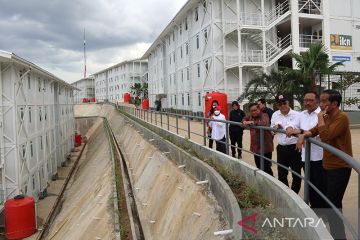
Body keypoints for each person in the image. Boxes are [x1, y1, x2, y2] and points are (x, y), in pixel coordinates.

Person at [296, 90, 352, 239]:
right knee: (328, 201)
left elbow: (326, 137)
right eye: (320, 101)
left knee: (332, 204)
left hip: (339, 167)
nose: (321, 104)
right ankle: (334, 234)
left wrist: (320, 117)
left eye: (324, 101)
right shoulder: (328, 116)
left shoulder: (341, 117)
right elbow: (314, 131)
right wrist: (303, 135)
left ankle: (339, 236)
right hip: (328, 165)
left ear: (334, 103)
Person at [286, 91, 326, 208]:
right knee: (310, 183)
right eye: (305, 100)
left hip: (319, 156)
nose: (307, 103)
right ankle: (314, 209)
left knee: (320, 186)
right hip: (305, 155)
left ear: (317, 102)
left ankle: (322, 211)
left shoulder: (322, 115)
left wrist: (302, 133)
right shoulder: (302, 114)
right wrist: (290, 128)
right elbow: (293, 125)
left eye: (310, 100)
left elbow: (319, 133)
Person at [271, 94, 302, 194]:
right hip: (281, 148)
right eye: (280, 104)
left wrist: (293, 130)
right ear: (277, 105)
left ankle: (294, 195)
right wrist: (276, 128)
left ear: (288, 103)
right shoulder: (275, 114)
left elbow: (301, 130)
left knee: (296, 174)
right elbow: (272, 131)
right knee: (282, 173)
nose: (282, 106)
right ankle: (287, 195)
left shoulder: (297, 115)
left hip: (295, 148)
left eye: (284, 103)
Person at [243, 103, 274, 176]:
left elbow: (263, 123)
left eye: (255, 110)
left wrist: (251, 122)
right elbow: (244, 119)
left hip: (265, 146)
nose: (254, 112)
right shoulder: (250, 116)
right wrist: (244, 121)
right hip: (256, 147)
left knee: (267, 168)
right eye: (252, 111)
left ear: (259, 109)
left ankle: (271, 182)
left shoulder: (264, 115)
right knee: (259, 166)